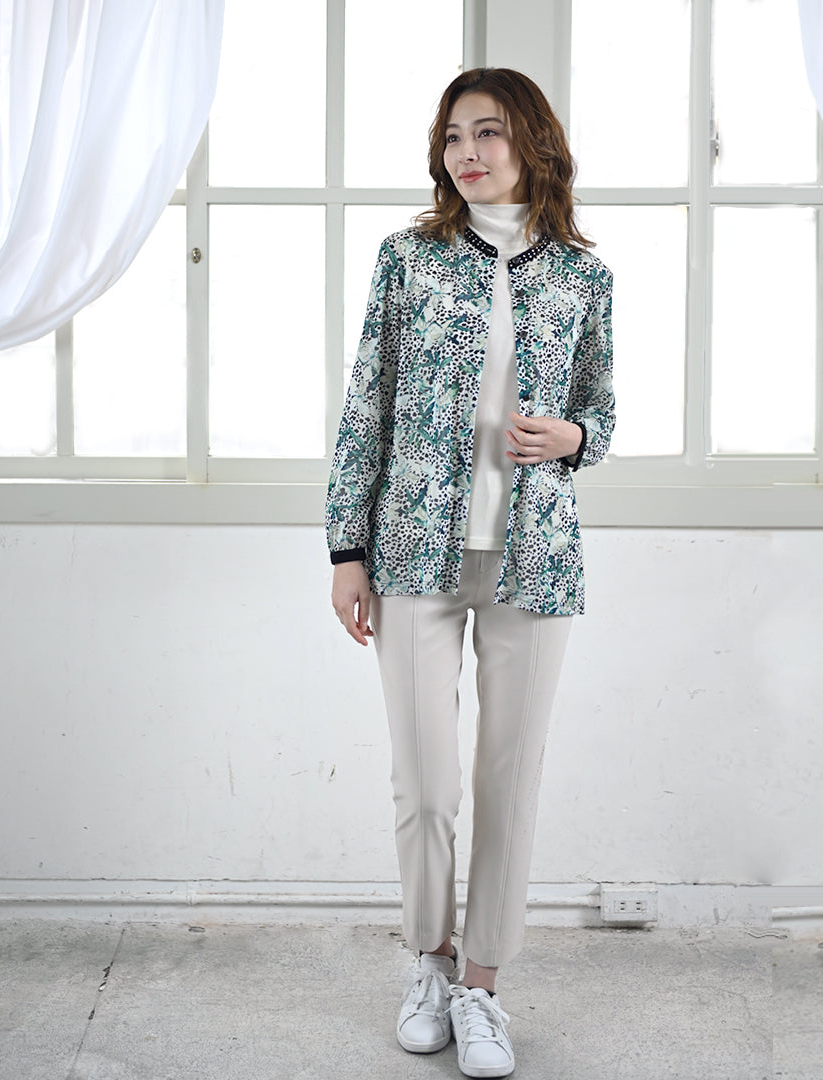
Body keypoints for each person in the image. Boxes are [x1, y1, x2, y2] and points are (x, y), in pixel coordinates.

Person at [326, 67, 614, 1079]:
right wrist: (346, 548)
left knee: (508, 784)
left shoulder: (582, 276)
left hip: (534, 557)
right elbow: (367, 403)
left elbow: (601, 410)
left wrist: (574, 435)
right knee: (426, 785)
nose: (468, 152)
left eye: (488, 132)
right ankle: (429, 963)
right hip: (412, 549)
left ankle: (482, 987)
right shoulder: (407, 259)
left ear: (533, 143)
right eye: (453, 136)